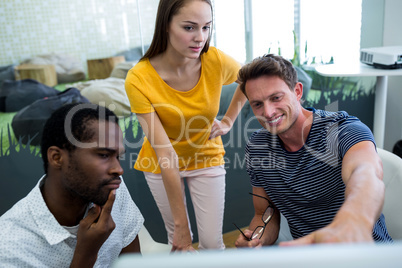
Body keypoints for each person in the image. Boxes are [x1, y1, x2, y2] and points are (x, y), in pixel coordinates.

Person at [234, 54, 393, 248]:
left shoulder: (342, 129)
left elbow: (367, 174)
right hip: (309, 255)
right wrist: (257, 239)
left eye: (276, 98)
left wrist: (355, 218)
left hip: (366, 253)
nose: (268, 112)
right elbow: (265, 213)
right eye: (257, 104)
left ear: (298, 91)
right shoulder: (258, 147)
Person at [125, 0, 247, 251]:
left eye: (206, 27)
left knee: (213, 244)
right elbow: (165, 153)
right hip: (161, 164)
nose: (200, 38)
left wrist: (228, 121)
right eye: (189, 28)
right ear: (166, 25)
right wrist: (181, 227)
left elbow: (250, 79)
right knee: (179, 241)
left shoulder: (215, 60)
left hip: (206, 156)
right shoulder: (139, 78)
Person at [0, 103, 144, 267]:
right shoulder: (9, 248)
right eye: (104, 155)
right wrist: (86, 255)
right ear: (56, 158)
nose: (118, 170)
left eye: (118, 157)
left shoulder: (111, 188)